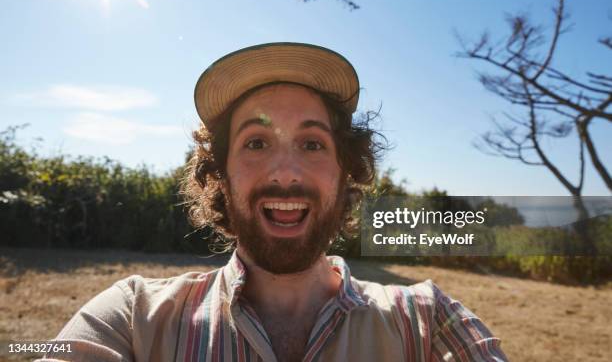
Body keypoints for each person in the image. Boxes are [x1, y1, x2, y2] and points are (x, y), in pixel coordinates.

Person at [39, 43, 508, 362]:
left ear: (345, 172)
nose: (286, 173)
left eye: (312, 144)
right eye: (257, 143)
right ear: (220, 174)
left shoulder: (425, 320)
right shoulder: (133, 318)